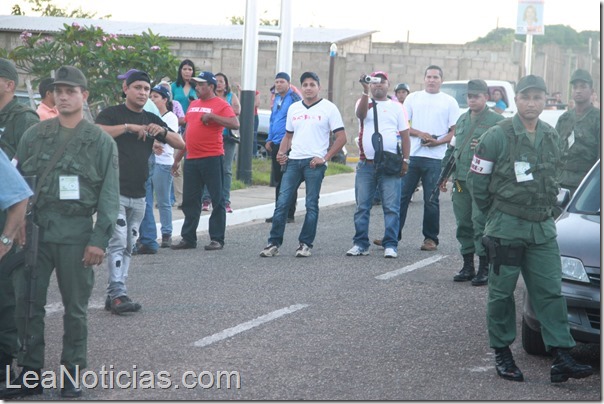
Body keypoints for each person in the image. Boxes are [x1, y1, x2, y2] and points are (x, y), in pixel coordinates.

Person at [467, 74, 593, 384]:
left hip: (542, 229)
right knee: (501, 293)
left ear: (544, 100)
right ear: (517, 100)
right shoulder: (497, 136)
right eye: (526, 97)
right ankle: (502, 351)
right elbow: (477, 183)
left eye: (538, 97)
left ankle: (562, 355)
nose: (532, 103)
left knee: (550, 291)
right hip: (507, 226)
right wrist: (495, 216)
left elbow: (555, 178)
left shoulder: (550, 135)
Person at [4, 66, 120, 399]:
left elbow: (109, 197)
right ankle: (29, 373)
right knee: (27, 304)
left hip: (77, 234)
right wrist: (18, 223)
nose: (64, 96)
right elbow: (18, 183)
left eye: (71, 91)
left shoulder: (99, 141)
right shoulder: (35, 135)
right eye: (59, 91)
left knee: (75, 309)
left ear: (85, 96)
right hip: (35, 231)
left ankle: (72, 373)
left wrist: (99, 240)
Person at [95, 69, 184, 315]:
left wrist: (162, 132)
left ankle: (115, 293)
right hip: (114, 191)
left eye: (146, 89)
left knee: (129, 243)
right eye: (138, 88)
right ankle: (119, 294)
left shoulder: (150, 118)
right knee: (117, 240)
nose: (143, 93)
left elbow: (180, 143)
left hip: (139, 193)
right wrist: (127, 127)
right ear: (126, 89)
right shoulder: (113, 114)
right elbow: (95, 133)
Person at [260, 71, 347, 258]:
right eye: (305, 85)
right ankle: (273, 243)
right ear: (301, 88)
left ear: (319, 87)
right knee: (282, 203)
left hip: (314, 163)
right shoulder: (295, 108)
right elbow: (288, 136)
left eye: (312, 84)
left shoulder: (329, 108)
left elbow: (341, 137)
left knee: (311, 204)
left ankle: (305, 244)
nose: (308, 88)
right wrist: (282, 153)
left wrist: (325, 157)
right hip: (294, 161)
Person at [440, 79, 503, 285]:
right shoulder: (462, 120)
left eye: (476, 96)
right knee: (463, 224)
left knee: (480, 224)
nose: (472, 100)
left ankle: (484, 267)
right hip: (460, 181)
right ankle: (468, 266)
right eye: (469, 96)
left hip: (482, 183)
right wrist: (443, 176)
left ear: (486, 97)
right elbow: (452, 149)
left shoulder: (496, 121)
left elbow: (504, 153)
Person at [0, 58, 39, 385]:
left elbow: (27, 165)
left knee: (7, 292)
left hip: (10, 214)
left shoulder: (23, 118)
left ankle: (7, 358)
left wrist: (23, 217)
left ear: (9, 84)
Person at [170, 71, 238, 251]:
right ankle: (188, 238)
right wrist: (177, 158)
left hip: (212, 157)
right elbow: (187, 132)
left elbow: (235, 123)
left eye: (201, 84)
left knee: (217, 199)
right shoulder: (193, 105)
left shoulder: (220, 104)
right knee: (190, 201)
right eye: (196, 85)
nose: (197, 87)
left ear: (211, 86)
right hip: (191, 159)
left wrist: (214, 117)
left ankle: (217, 238)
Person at [346, 71, 410, 259]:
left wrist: (405, 160)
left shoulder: (397, 107)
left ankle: (390, 244)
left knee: (391, 207)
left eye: (382, 82)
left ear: (388, 85)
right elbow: (360, 115)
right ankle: (360, 244)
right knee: (362, 206)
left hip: (390, 164)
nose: (378, 85)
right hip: (366, 164)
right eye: (374, 82)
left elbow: (405, 136)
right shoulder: (363, 101)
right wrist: (365, 92)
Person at [396, 65, 459, 251]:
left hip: (436, 159)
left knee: (431, 200)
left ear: (441, 80)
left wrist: (438, 142)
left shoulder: (449, 102)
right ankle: (391, 236)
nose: (432, 80)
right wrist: (421, 133)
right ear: (424, 79)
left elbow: (454, 131)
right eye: (429, 76)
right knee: (402, 197)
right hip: (413, 156)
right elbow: (404, 126)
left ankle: (430, 239)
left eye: (436, 77)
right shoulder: (412, 98)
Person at [136, 85, 179, 253]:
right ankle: (146, 234)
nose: (152, 99)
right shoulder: (151, 115)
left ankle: (166, 233)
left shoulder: (170, 117)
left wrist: (157, 140)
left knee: (163, 201)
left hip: (163, 162)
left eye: (156, 96)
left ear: (165, 99)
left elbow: (168, 137)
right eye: (151, 96)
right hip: (151, 160)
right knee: (146, 201)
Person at [555, 69, 600, 196]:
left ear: (591, 91)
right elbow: (554, 150)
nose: (578, 90)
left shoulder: (597, 119)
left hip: (585, 184)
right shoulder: (564, 118)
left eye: (583, 87)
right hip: (561, 182)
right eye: (575, 87)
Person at [264, 72, 301, 224]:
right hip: (276, 143)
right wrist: (269, 139)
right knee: (278, 180)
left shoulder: (294, 99)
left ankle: (289, 213)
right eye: (277, 82)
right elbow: (273, 120)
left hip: (288, 144)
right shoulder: (277, 98)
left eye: (282, 82)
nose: (279, 84)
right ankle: (279, 212)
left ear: (288, 83)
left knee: (289, 180)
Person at [201, 72, 240, 213]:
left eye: (221, 81)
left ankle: (225, 200)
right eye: (216, 81)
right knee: (209, 169)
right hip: (210, 137)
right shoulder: (207, 98)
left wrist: (216, 114)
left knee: (226, 169)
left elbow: (236, 111)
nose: (219, 83)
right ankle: (206, 199)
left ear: (226, 83)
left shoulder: (231, 97)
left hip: (227, 137)